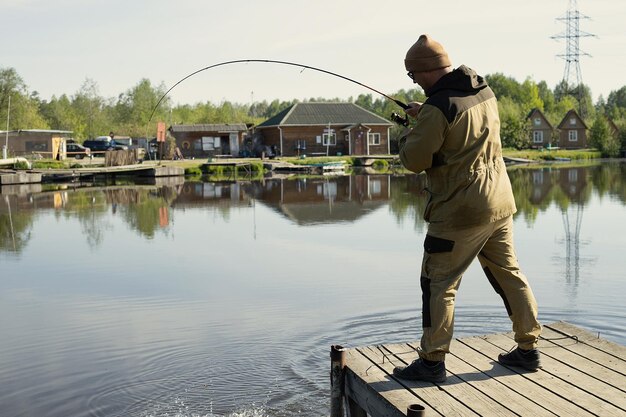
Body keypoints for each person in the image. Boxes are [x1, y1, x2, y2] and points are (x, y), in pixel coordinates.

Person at [393, 34, 542, 383]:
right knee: (508, 273)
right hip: (499, 202)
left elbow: (415, 160)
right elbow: (457, 131)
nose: (413, 81)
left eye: (413, 75)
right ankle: (528, 349)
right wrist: (425, 115)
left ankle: (432, 362)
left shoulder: (438, 108)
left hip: (460, 211)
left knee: (438, 283)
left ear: (426, 71)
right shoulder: (482, 92)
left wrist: (407, 133)